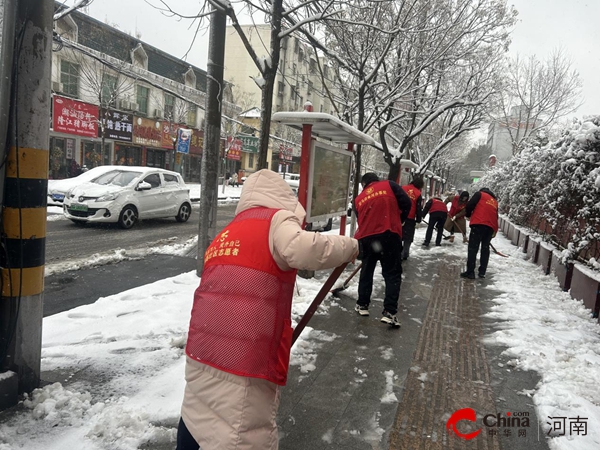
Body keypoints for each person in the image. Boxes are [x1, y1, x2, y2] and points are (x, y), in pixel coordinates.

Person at [177, 169, 358, 450]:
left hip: (203, 348)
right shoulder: (275, 220)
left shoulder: (229, 230)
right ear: (282, 197)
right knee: (242, 430)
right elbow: (304, 248)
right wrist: (351, 246)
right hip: (244, 356)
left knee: (199, 410)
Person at [353, 172, 411, 327]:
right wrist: (400, 220)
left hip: (367, 238)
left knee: (367, 271)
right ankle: (389, 312)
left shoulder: (359, 199)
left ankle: (363, 304)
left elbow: (361, 220)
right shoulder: (389, 185)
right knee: (392, 274)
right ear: (376, 180)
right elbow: (407, 203)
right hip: (389, 234)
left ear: (363, 184)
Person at [460, 187, 499, 279]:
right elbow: (496, 215)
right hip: (490, 226)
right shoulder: (494, 201)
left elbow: (470, 205)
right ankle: (482, 272)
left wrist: (468, 214)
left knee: (473, 248)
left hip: (478, 223)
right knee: (485, 248)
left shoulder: (479, 194)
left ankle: (470, 272)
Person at [400, 176, 424, 260]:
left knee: (399, 235)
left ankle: (397, 253)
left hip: (399, 216)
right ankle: (405, 253)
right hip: (410, 217)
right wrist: (418, 220)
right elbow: (418, 208)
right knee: (408, 237)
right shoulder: (418, 193)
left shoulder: (402, 188)